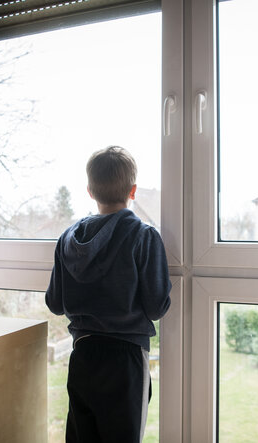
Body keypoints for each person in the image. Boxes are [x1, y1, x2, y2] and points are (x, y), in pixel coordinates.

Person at [46, 145, 172, 443]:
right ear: (134, 190)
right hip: (125, 360)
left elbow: (54, 303)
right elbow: (156, 307)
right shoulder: (144, 236)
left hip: (83, 355)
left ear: (90, 191)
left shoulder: (68, 239)